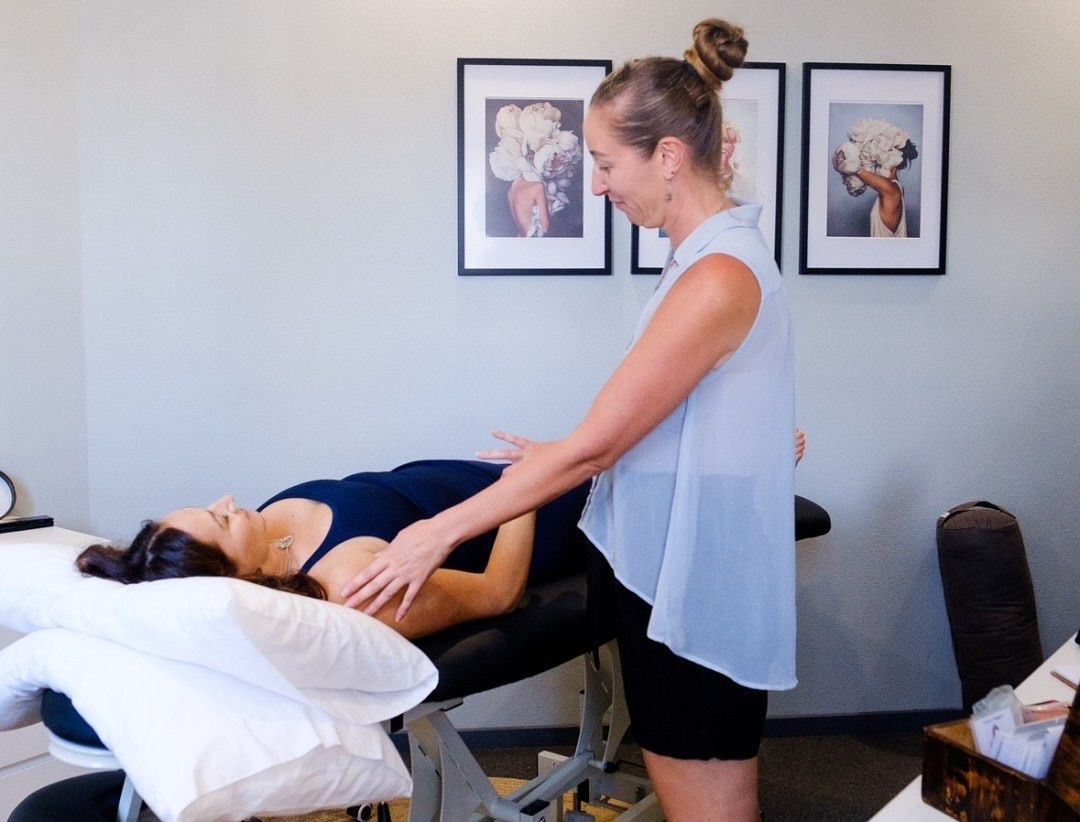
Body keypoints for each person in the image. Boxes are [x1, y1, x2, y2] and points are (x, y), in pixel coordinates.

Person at [343, 18, 794, 822]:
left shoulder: (717, 274)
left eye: (605, 161)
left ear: (667, 155)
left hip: (693, 594)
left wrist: (437, 533)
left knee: (711, 800)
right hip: (666, 576)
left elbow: (600, 444)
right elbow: (686, 415)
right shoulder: (704, 258)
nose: (595, 184)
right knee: (692, 781)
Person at [76, 460, 591, 640]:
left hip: (495, 483)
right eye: (220, 518)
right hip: (537, 515)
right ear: (238, 576)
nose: (228, 501)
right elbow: (498, 594)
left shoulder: (267, 523)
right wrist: (525, 489)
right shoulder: (345, 586)